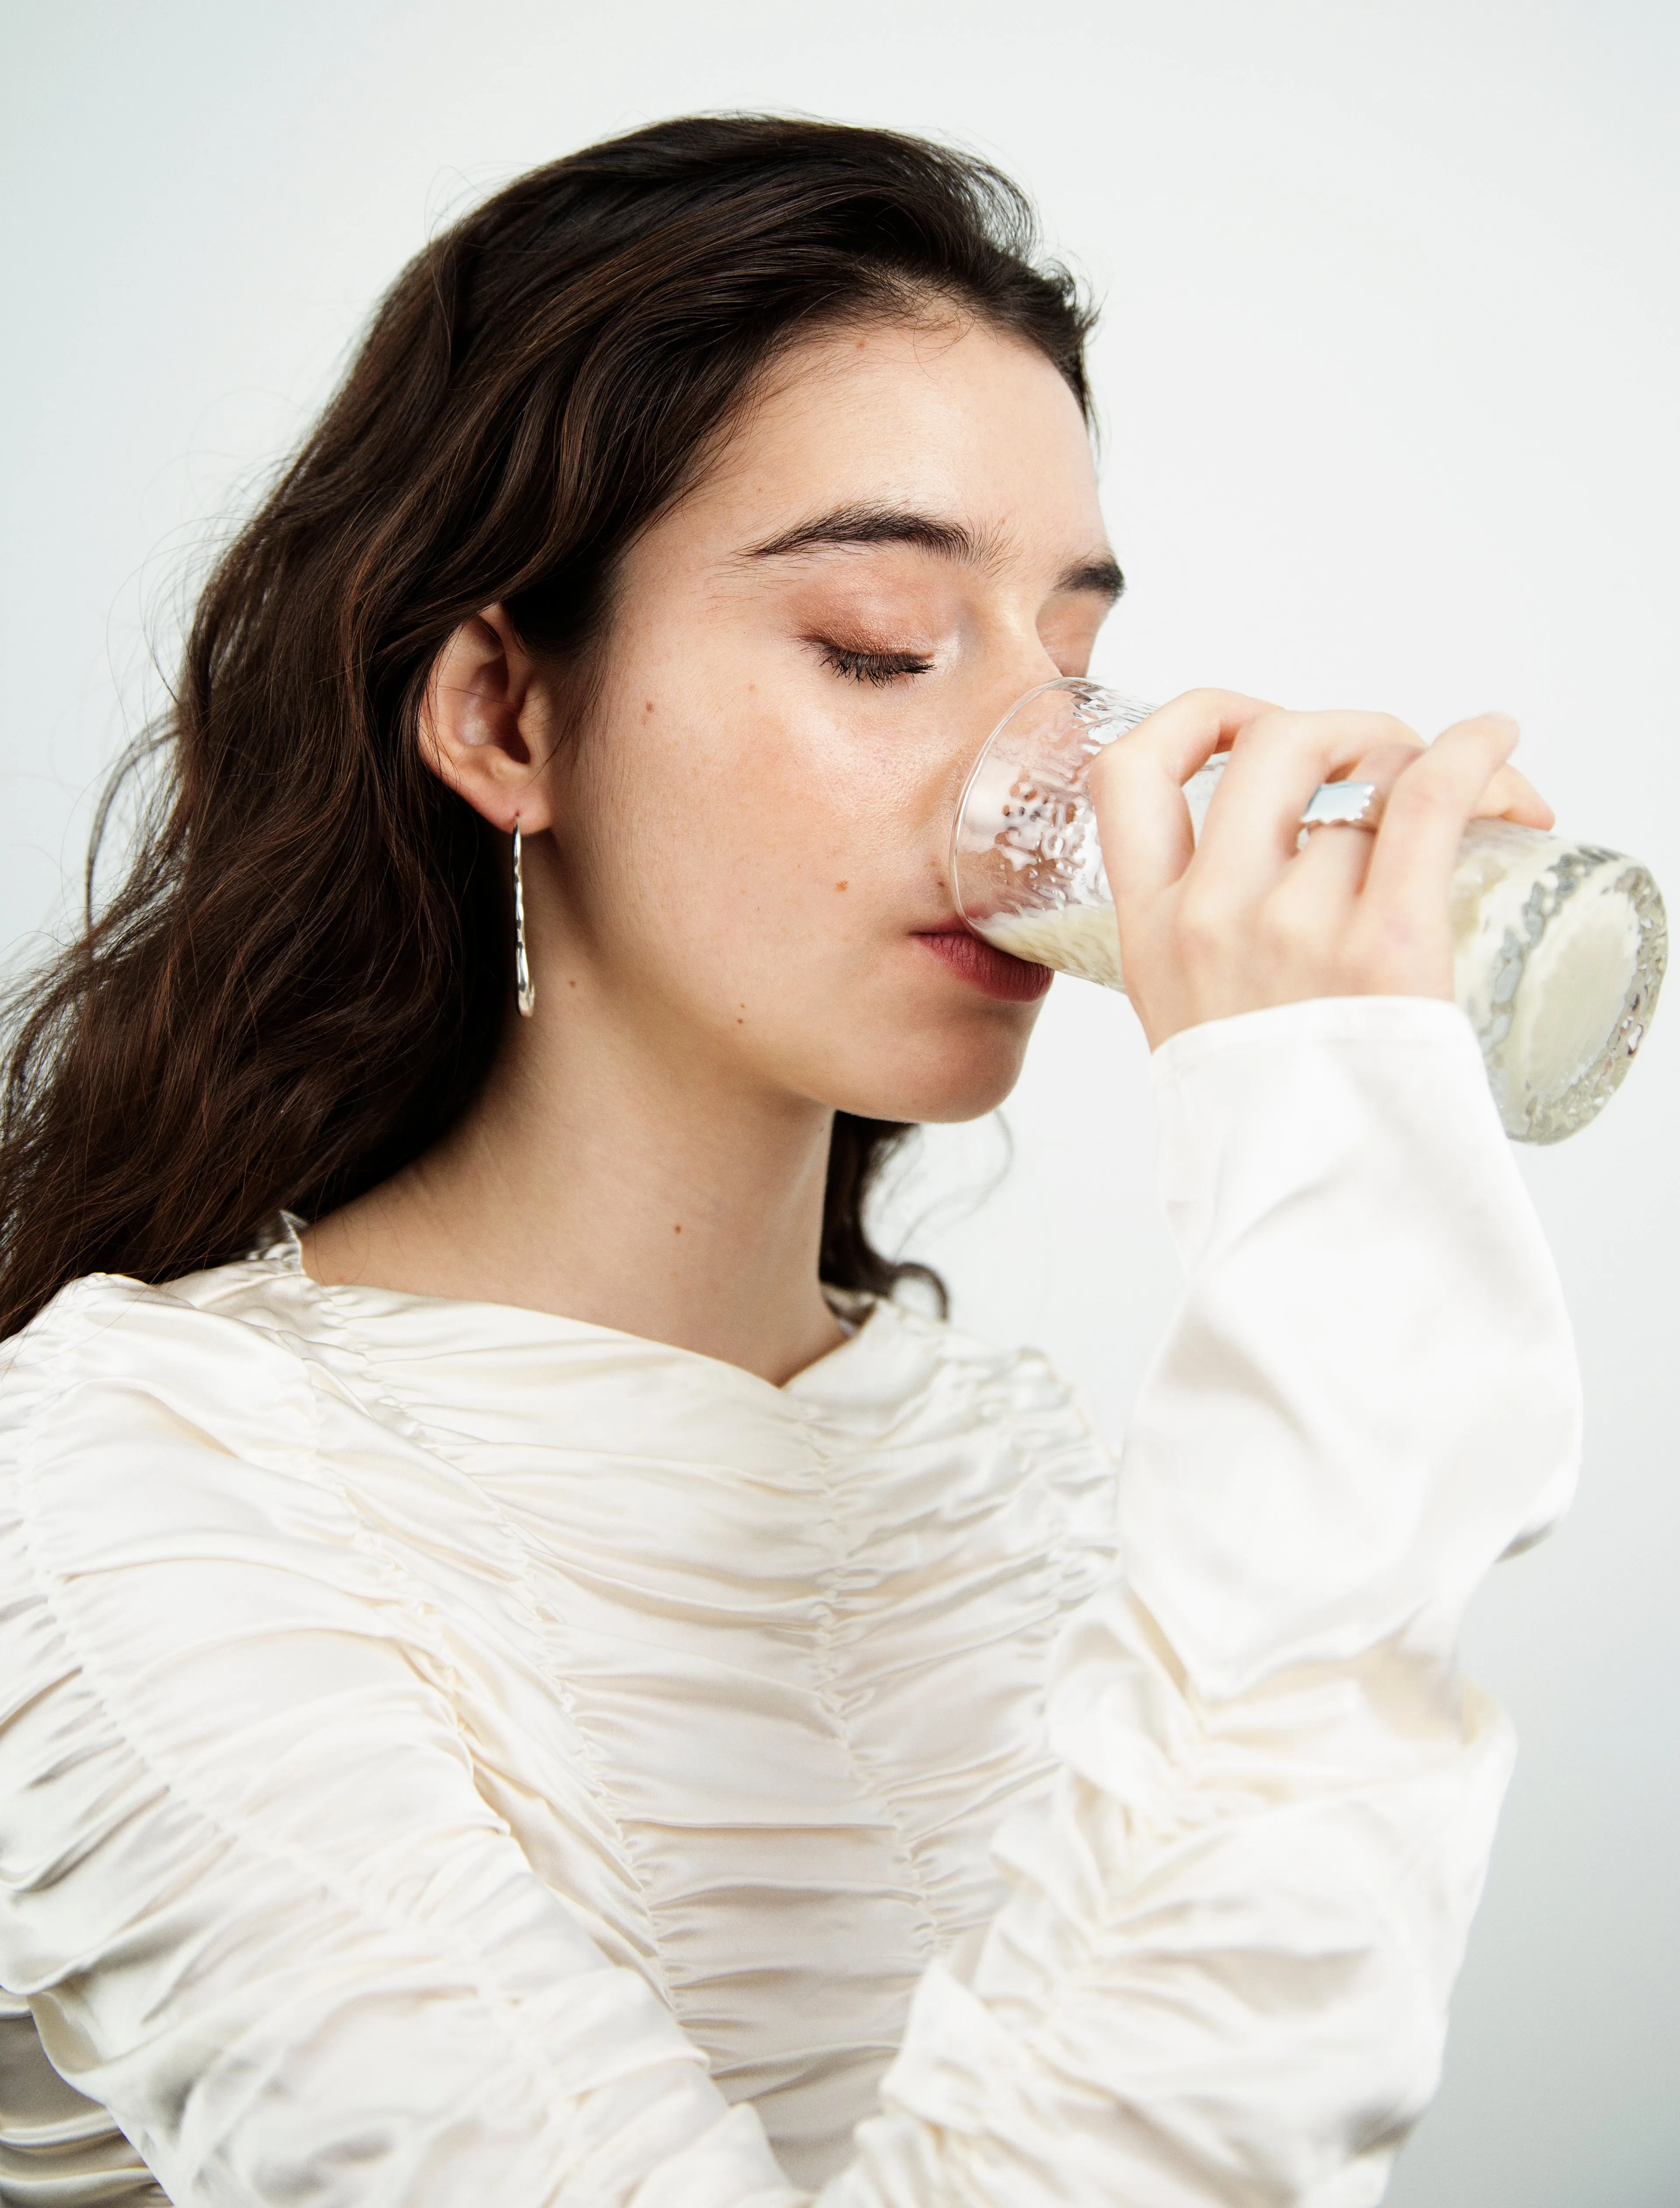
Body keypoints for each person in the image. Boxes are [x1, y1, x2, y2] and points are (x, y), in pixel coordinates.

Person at [0, 116, 1578, 2207]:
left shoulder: (988, 1468)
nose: (1066, 791)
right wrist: (1342, 1299)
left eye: (1078, 671)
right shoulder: (121, 1488)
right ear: (505, 716)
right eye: (876, 644)